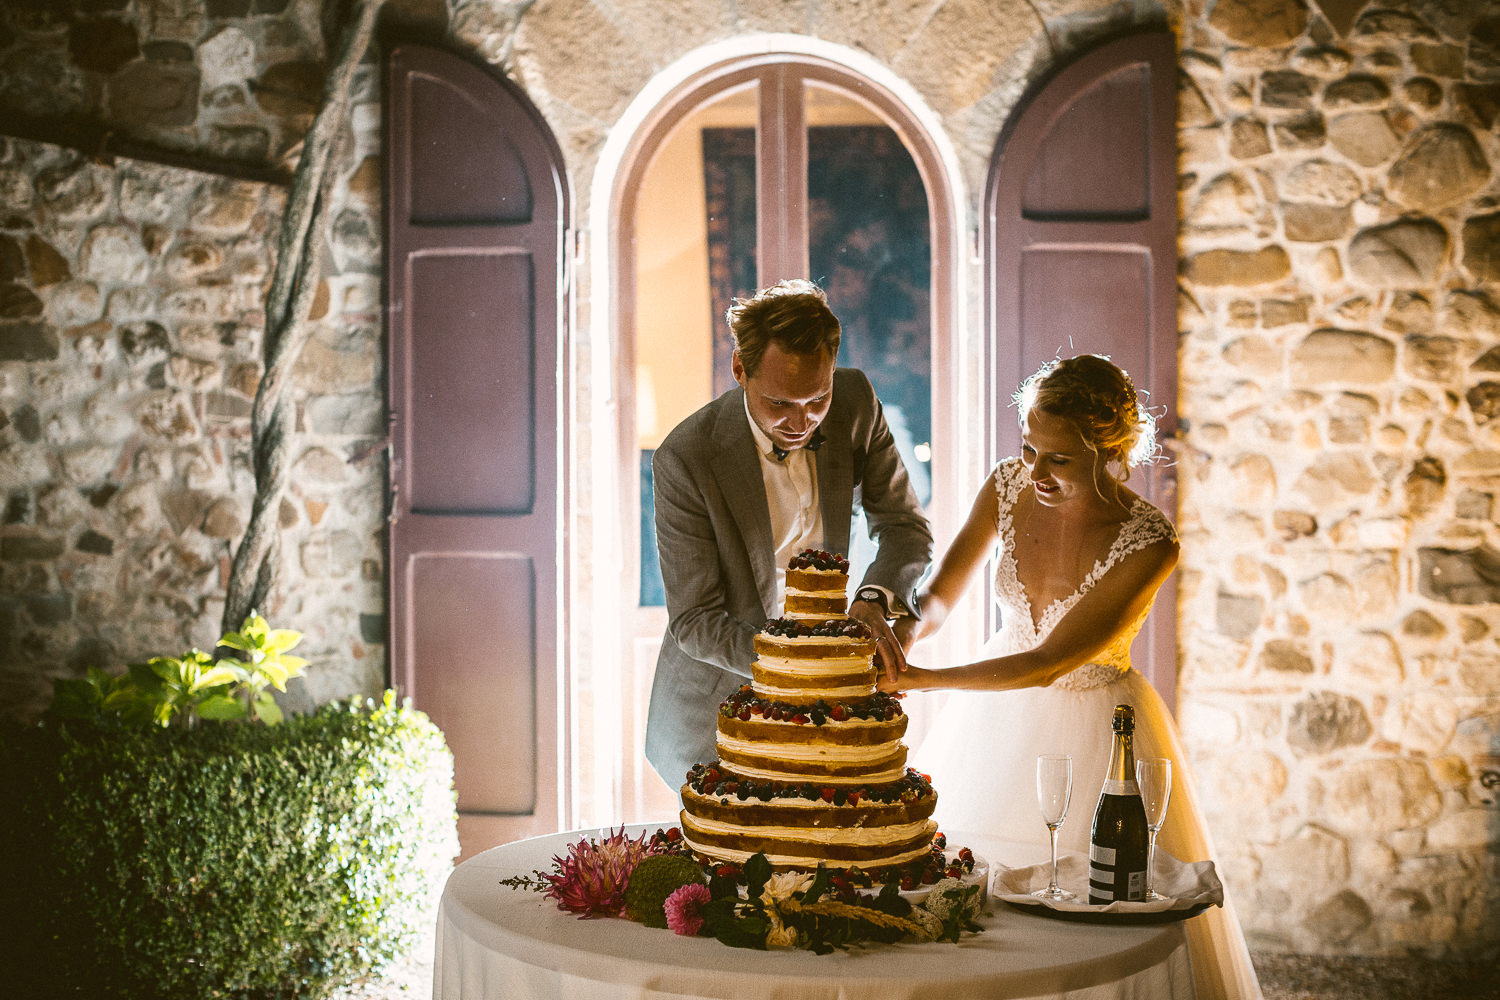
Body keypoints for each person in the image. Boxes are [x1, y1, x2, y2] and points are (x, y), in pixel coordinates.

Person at [882, 354, 1262, 1000]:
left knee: (1088, 927)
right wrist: (908, 630)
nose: (1036, 472)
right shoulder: (1006, 487)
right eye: (1030, 448)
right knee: (971, 913)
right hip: (993, 726)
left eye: (1057, 459)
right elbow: (941, 592)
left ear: (1110, 453)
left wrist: (923, 679)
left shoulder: (1149, 541)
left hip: (1099, 738)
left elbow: (1048, 662)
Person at [645, 278, 933, 790]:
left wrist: (871, 599)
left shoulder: (855, 402)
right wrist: (803, 664)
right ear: (740, 369)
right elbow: (694, 621)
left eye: (817, 398)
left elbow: (906, 527)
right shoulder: (685, 458)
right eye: (780, 404)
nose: (802, 421)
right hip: (720, 701)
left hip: (833, 702)